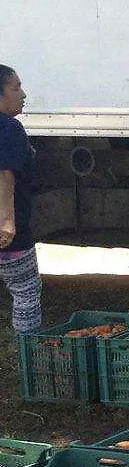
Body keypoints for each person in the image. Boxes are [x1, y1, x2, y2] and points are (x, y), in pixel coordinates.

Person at [0, 65, 40, 335]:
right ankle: (30, 361)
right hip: (10, 236)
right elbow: (5, 174)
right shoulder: (9, 128)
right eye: (15, 88)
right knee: (26, 292)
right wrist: (7, 221)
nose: (23, 94)